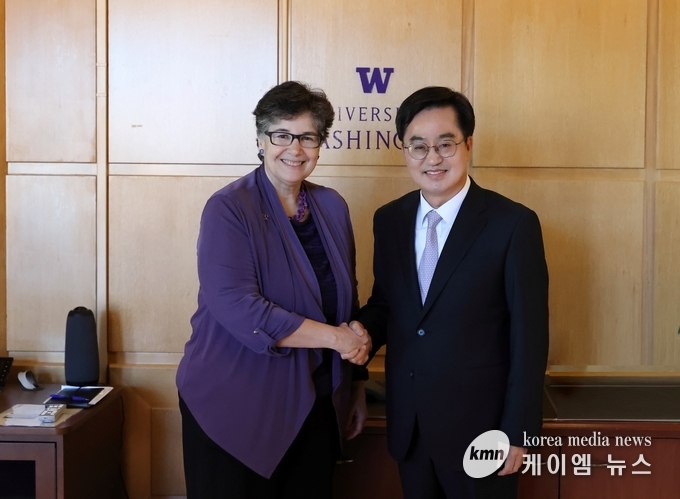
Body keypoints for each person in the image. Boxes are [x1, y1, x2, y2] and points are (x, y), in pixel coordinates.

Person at [176, 81, 371, 499]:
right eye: (282, 135)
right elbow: (240, 308)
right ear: (261, 140)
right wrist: (338, 340)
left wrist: (355, 384)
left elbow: (346, 300)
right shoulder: (229, 208)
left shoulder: (332, 206)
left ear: (320, 144)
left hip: (318, 404)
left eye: (308, 137)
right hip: (235, 405)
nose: (294, 149)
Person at [356, 86, 549, 499]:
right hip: (410, 428)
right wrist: (358, 334)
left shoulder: (512, 224)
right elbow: (388, 304)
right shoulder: (389, 220)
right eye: (418, 146)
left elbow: (529, 338)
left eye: (446, 144)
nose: (432, 158)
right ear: (404, 150)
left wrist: (518, 432)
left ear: (468, 145)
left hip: (482, 432)